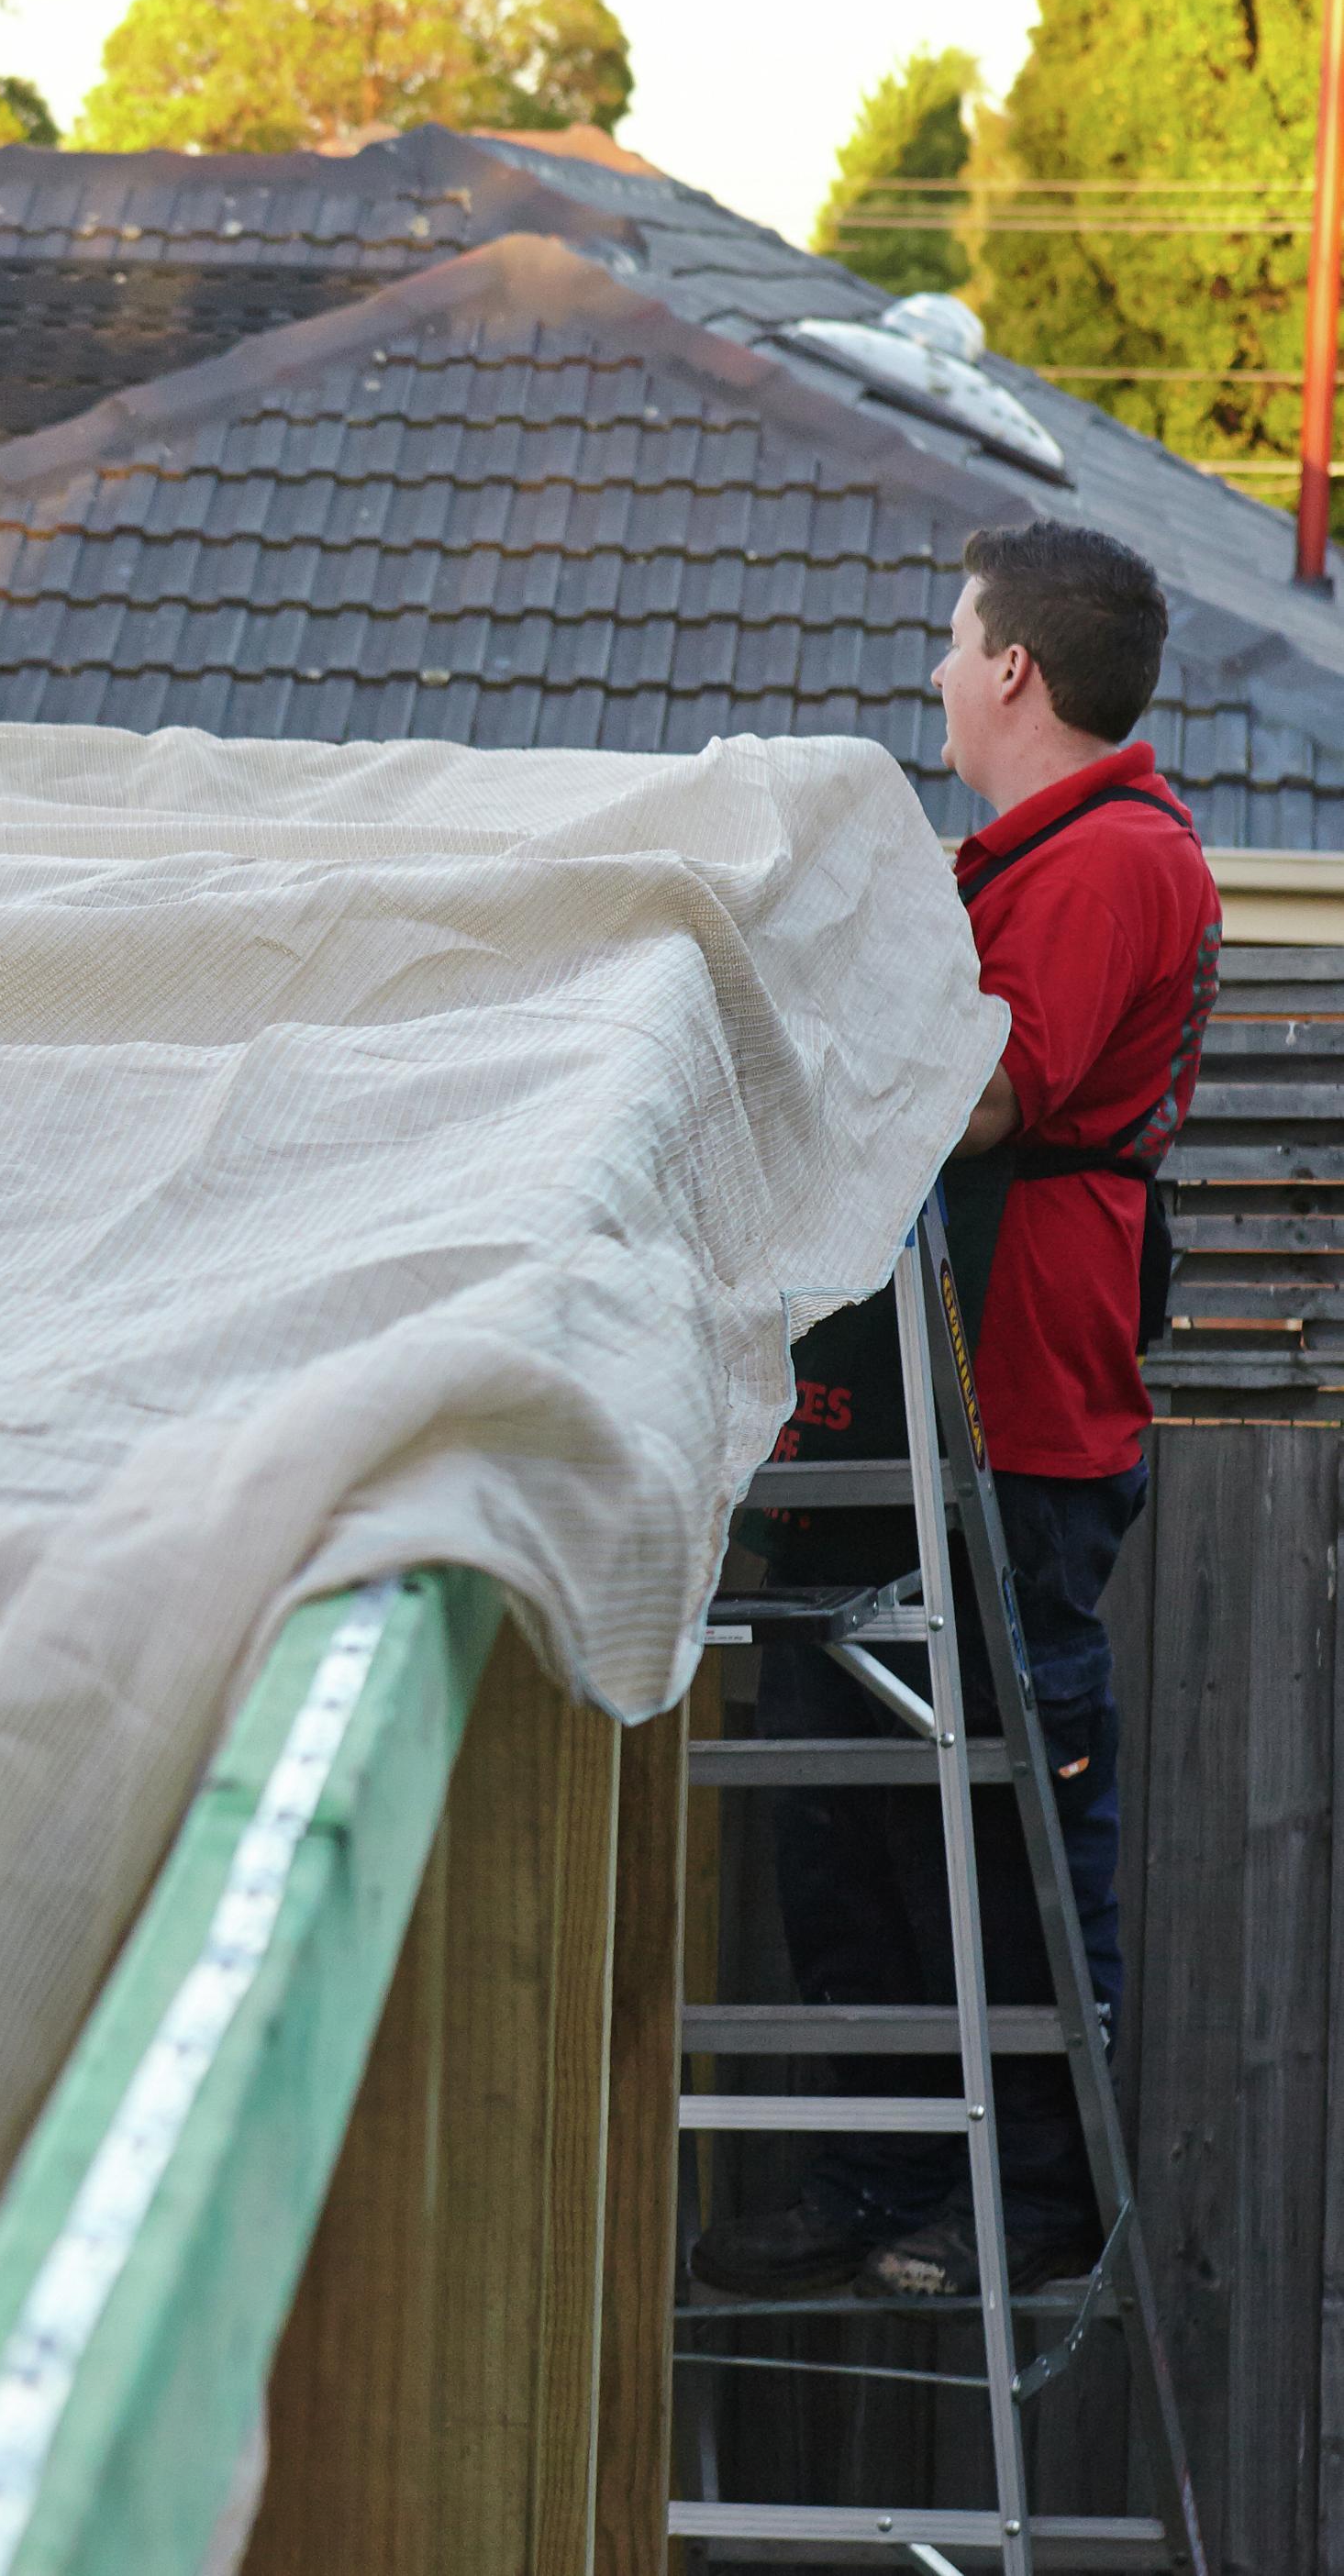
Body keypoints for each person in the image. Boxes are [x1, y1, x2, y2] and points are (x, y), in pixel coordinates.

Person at [694, 520, 1220, 2302]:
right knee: (849, 1830)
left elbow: (990, 1098)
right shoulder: (1016, 860)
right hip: (885, 1420)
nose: (932, 670)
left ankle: (1041, 2200)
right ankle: (879, 2180)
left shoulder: (1111, 860)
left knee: (995, 1822)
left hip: (1014, 1418)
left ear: (1013, 670)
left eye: (950, 640)